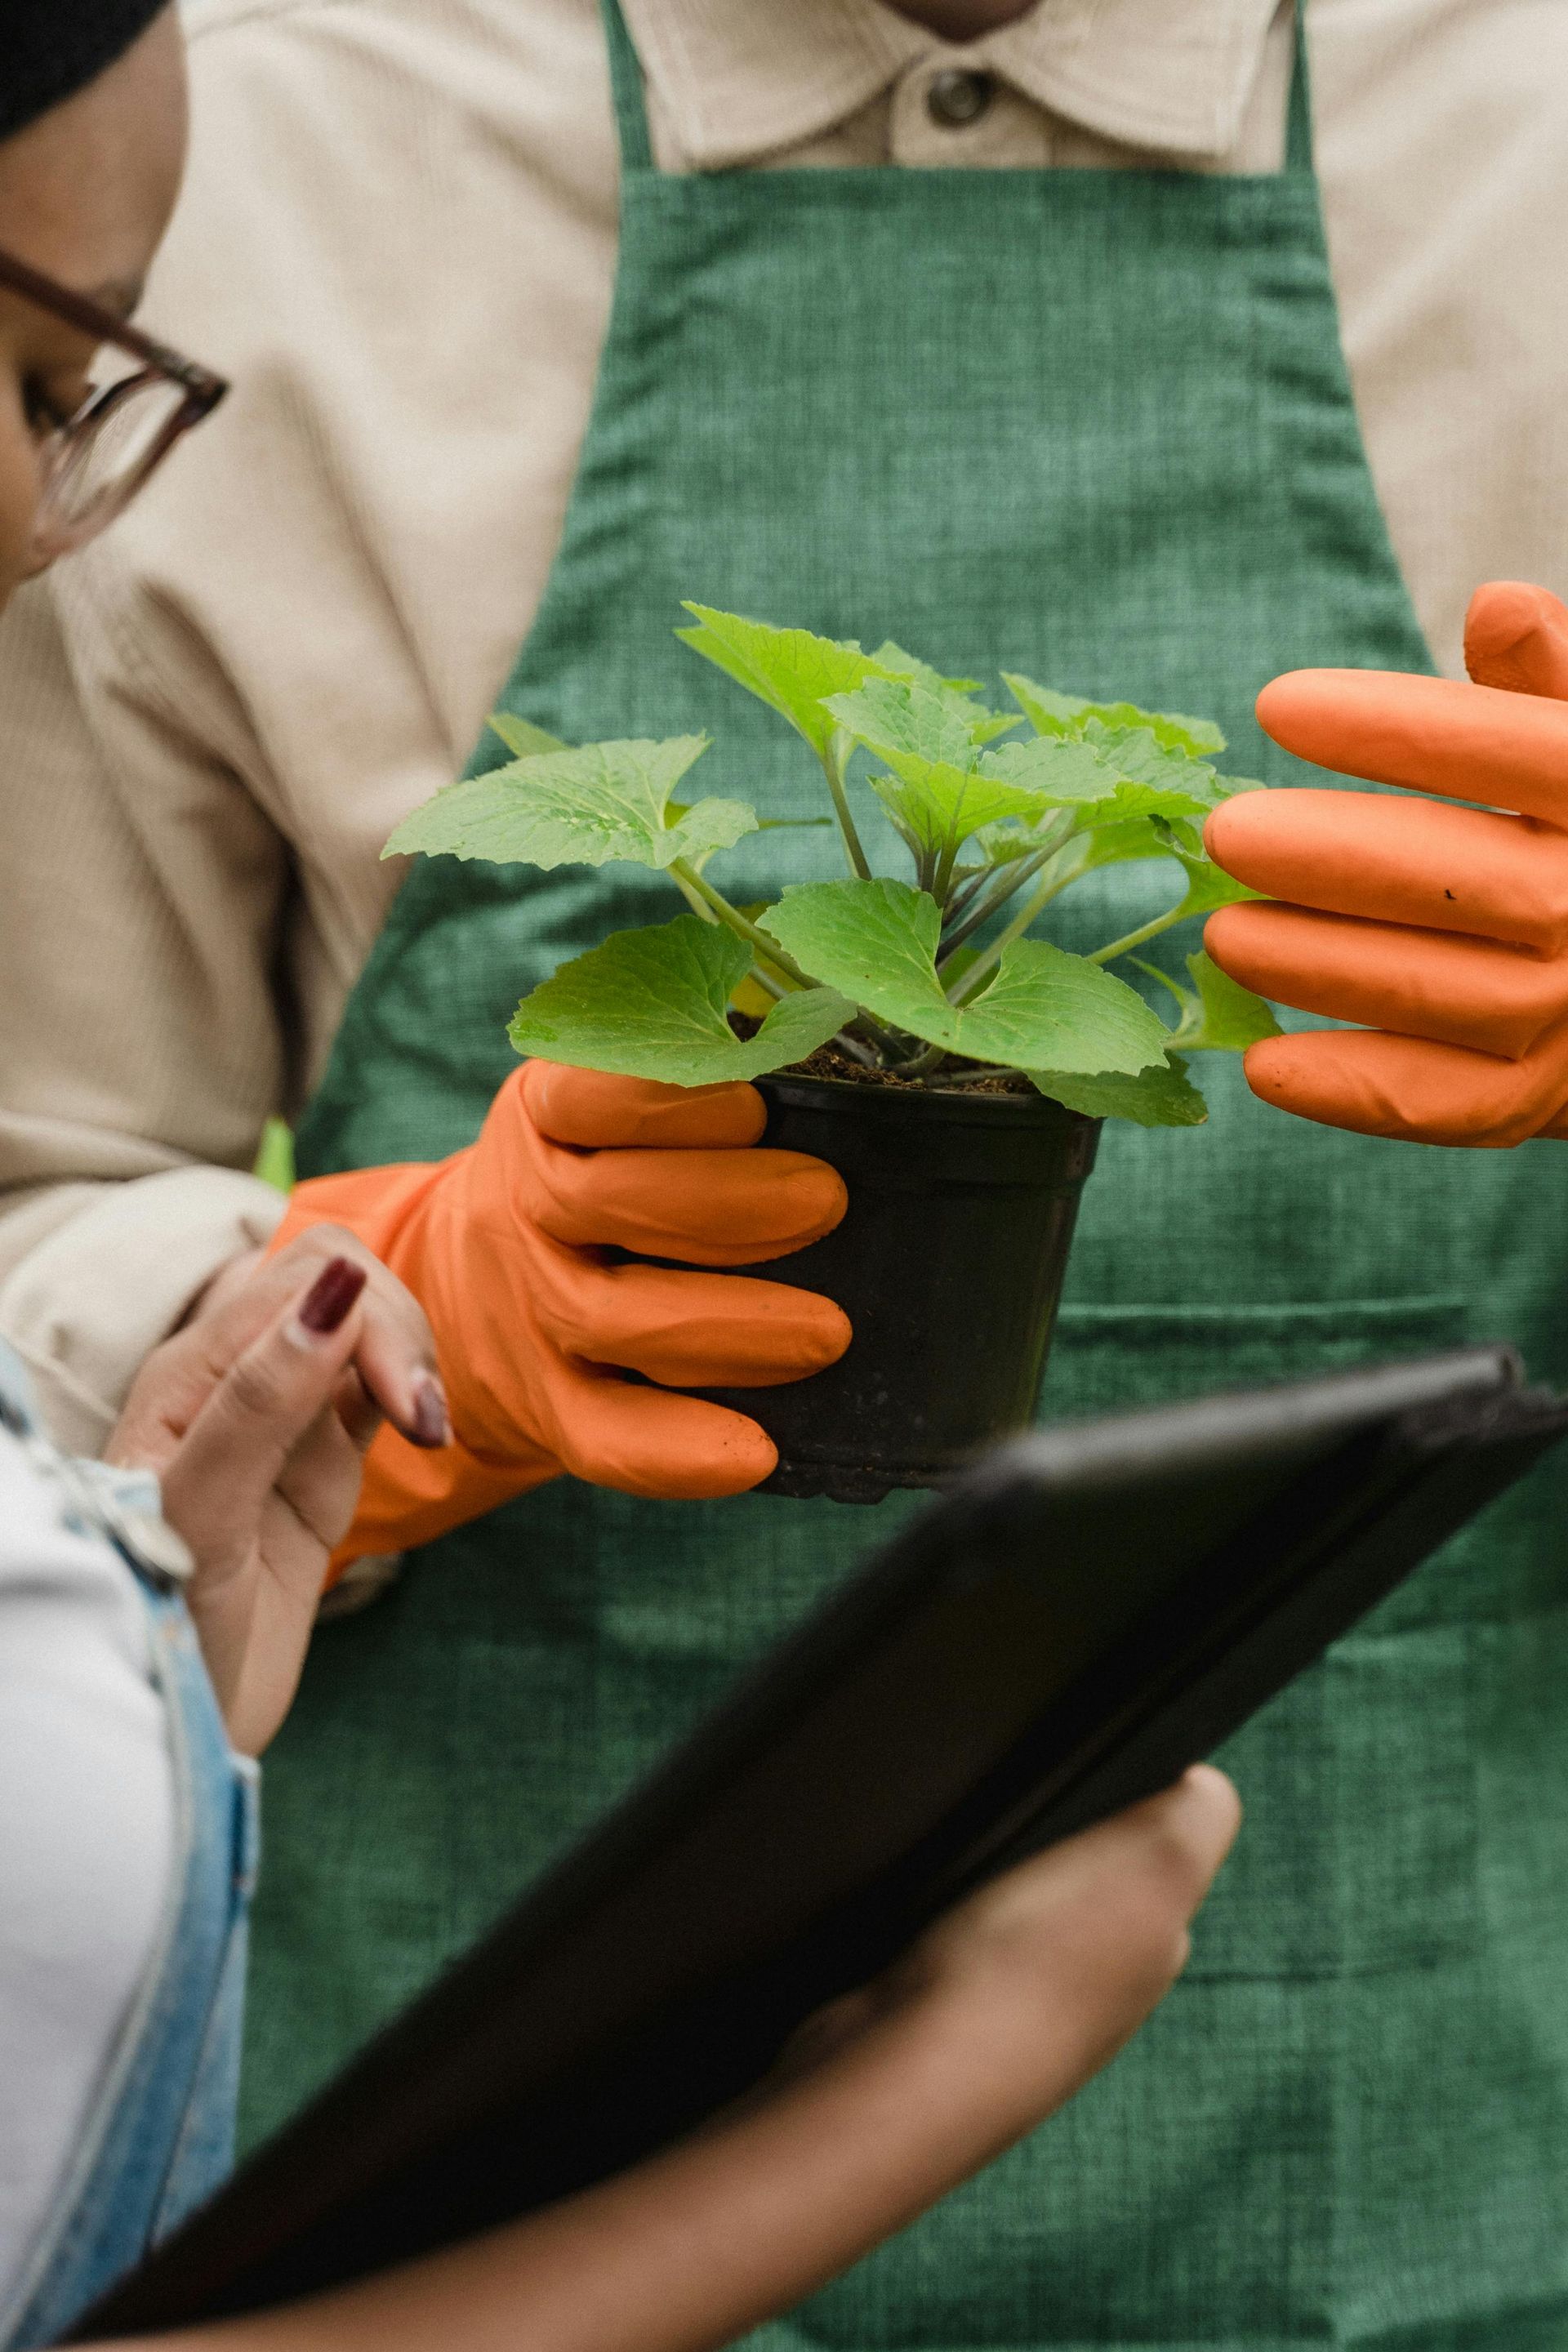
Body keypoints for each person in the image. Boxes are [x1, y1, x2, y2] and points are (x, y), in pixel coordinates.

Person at [0, 0, 1564, 2343]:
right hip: (465, 2187)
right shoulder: (192, 156)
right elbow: (36, 1211)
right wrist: (379, 1310)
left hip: (1439, 2189)